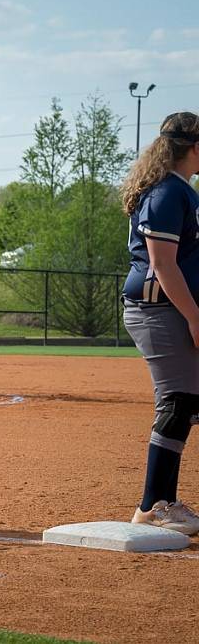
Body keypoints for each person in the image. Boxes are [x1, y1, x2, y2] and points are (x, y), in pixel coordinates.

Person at [121, 111, 199, 535]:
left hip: (171, 307)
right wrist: (194, 316)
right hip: (160, 309)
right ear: (194, 146)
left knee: (187, 403)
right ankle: (153, 505)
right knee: (177, 402)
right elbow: (162, 264)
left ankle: (163, 501)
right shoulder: (168, 193)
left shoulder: (180, 191)